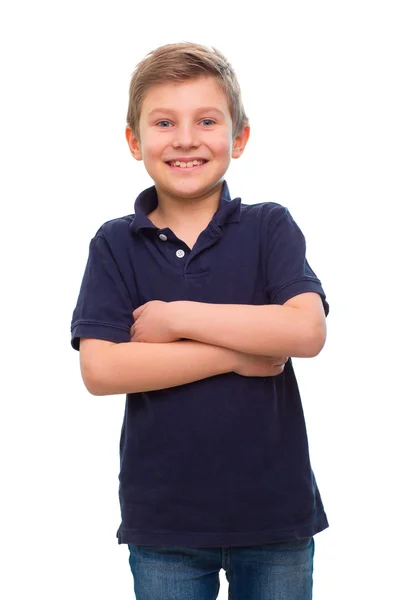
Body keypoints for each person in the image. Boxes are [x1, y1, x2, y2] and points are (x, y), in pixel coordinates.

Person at [71, 41, 329, 600]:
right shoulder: (116, 242)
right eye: (165, 122)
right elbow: (102, 369)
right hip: (165, 522)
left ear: (238, 137)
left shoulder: (269, 228)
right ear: (134, 142)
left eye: (206, 121)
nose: (186, 139)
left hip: (275, 516)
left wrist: (177, 317)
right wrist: (240, 352)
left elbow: (305, 331)